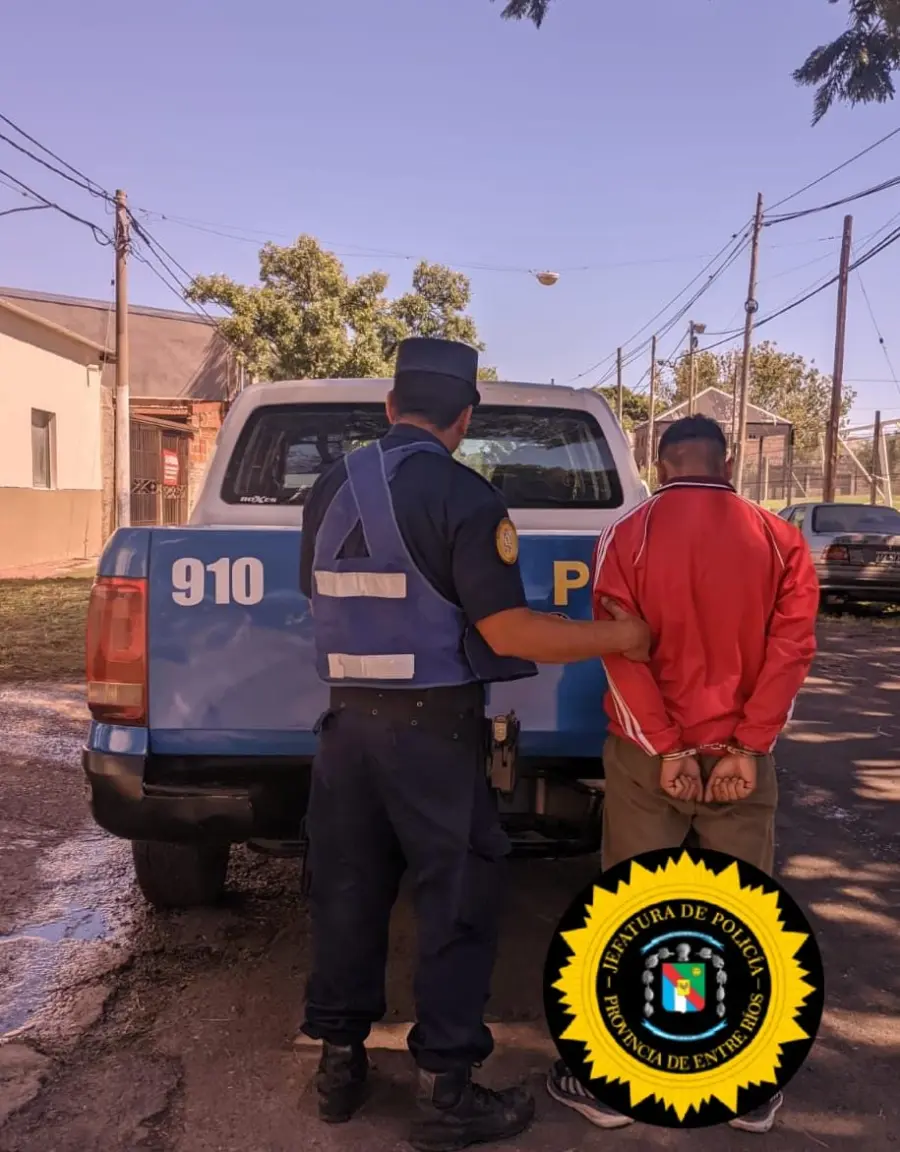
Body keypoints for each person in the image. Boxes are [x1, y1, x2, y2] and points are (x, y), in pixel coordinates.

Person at [298, 336, 651, 1152]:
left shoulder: (326, 489)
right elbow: (507, 627)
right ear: (463, 419)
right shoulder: (465, 496)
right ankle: (446, 1092)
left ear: (389, 408)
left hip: (345, 730)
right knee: (455, 902)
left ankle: (339, 1072)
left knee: (347, 893)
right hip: (432, 734)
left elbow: (312, 592)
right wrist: (619, 636)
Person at [546, 414, 819, 1137]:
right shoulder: (780, 539)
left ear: (660, 462)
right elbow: (791, 652)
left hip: (647, 756)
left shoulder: (625, 537)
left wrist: (665, 747)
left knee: (641, 907)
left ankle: (614, 1089)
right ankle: (749, 1088)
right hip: (740, 758)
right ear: (727, 462)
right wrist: (746, 747)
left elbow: (620, 651)